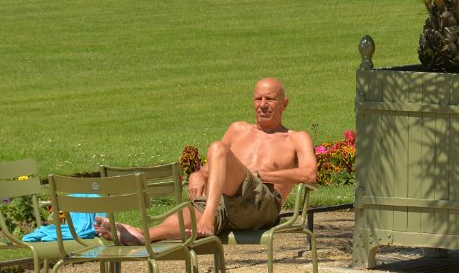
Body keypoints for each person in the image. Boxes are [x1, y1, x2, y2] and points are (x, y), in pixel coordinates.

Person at [94, 78, 318, 242]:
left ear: (284, 104)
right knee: (180, 221)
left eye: (270, 99)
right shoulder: (238, 129)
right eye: (258, 99)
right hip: (222, 202)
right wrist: (198, 174)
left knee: (217, 148)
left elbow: (310, 174)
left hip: (261, 206)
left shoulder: (296, 138)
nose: (263, 104)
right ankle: (143, 236)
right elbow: (215, 167)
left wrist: (259, 176)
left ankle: (207, 218)